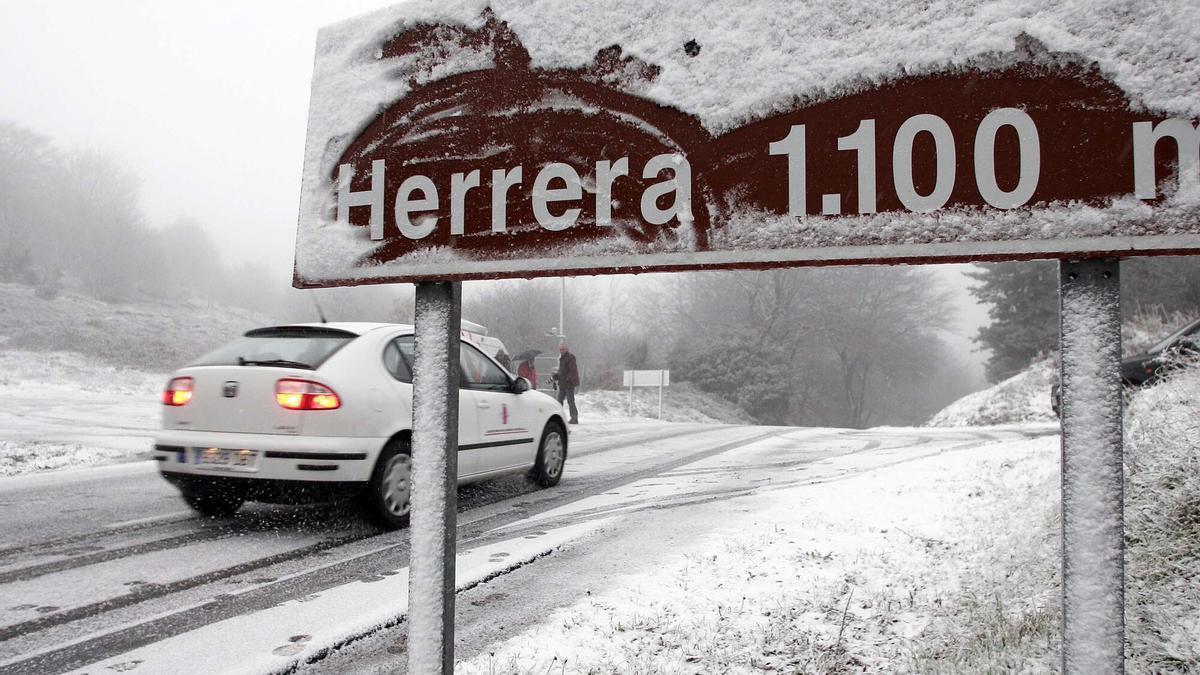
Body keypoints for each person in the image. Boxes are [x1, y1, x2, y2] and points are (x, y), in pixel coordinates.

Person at [556, 342, 579, 424]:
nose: (562, 351)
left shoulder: (570, 357)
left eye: (563, 349)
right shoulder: (561, 358)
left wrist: (568, 379)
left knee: (570, 401)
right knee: (559, 401)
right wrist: (556, 376)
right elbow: (562, 371)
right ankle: (558, 417)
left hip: (569, 383)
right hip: (562, 383)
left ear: (567, 349)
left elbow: (572, 370)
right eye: (560, 349)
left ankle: (574, 417)